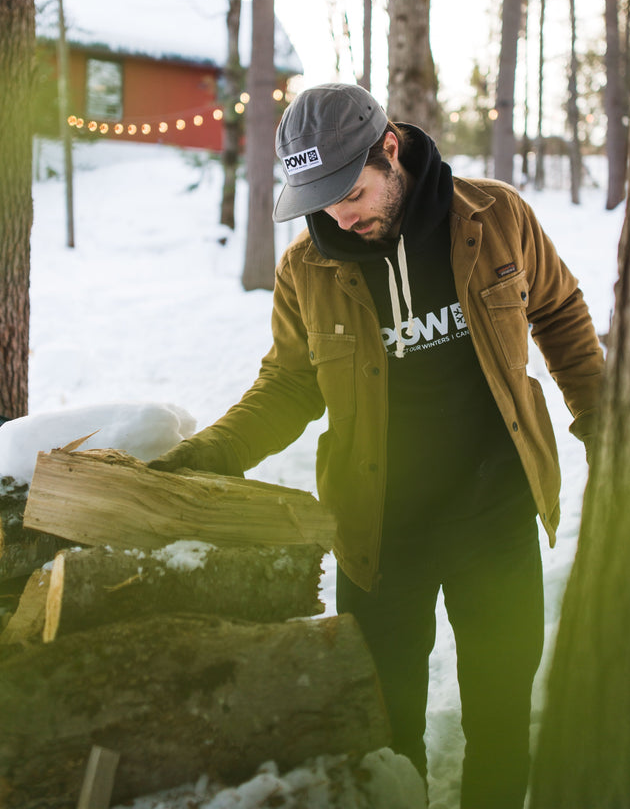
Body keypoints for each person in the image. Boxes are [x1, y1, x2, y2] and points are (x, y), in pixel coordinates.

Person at [148, 83, 604, 808]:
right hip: (378, 530)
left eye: (351, 191)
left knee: (500, 711)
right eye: (322, 199)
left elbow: (560, 315)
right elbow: (289, 386)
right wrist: (209, 456)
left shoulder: (497, 216)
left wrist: (606, 430)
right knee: (384, 724)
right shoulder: (306, 271)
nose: (339, 213)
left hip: (495, 514)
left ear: (390, 151)